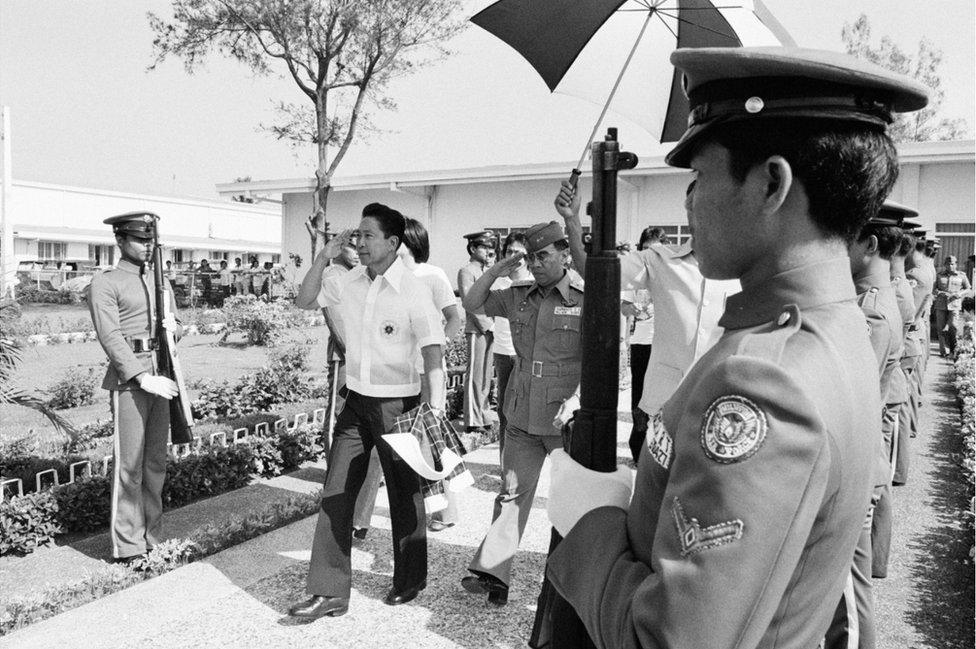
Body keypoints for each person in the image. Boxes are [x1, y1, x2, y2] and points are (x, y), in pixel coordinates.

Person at [544, 46, 927, 648]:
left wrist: (589, 523)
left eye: (700, 177)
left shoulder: (763, 380)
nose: (690, 202)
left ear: (772, 182)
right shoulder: (829, 326)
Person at [288, 203, 446, 620]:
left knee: (403, 494)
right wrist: (323, 256)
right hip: (356, 402)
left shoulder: (414, 289)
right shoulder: (348, 281)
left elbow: (433, 353)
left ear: (393, 243)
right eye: (357, 234)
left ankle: (409, 577)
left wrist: (436, 411)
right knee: (337, 491)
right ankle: (329, 591)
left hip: (399, 404)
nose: (358, 241)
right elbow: (304, 300)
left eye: (368, 235)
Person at [556, 184, 739, 464]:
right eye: (696, 205)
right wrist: (572, 218)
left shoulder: (747, 267)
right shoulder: (660, 261)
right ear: (688, 210)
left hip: (726, 408)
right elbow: (596, 272)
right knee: (655, 493)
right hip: (666, 407)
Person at [460, 221, 583, 607]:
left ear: (564, 255)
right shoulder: (517, 296)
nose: (536, 263)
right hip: (522, 409)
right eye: (531, 257)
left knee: (572, 503)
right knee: (512, 491)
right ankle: (494, 574)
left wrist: (579, 398)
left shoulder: (585, 298)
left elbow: (602, 357)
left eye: (543, 255)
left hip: (565, 415)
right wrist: (497, 269)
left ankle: (570, 586)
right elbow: (471, 302)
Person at [353, 216, 463, 536]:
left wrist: (436, 349)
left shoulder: (431, 276)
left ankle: (445, 510)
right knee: (377, 446)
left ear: (406, 244)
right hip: (392, 378)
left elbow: (453, 318)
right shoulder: (383, 278)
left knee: (430, 442)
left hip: (424, 375)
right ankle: (360, 519)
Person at [87, 212, 182, 563]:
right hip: (132, 381)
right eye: (140, 240)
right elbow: (110, 336)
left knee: (156, 462)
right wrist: (141, 376)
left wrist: (175, 327)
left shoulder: (159, 281)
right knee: (130, 466)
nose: (147, 247)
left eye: (150, 240)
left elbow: (175, 328)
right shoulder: (106, 282)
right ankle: (127, 546)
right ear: (120, 241)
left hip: (163, 375)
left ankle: (152, 538)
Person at [490, 232, 532, 463]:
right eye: (509, 252)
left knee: (525, 411)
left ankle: (524, 461)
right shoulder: (499, 283)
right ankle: (506, 464)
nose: (513, 257)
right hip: (504, 352)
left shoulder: (536, 284)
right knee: (505, 411)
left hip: (527, 355)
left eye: (519, 252)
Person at [458, 230, 497, 434]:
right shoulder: (467, 271)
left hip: (490, 327)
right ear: (473, 248)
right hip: (477, 328)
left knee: (485, 375)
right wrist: (486, 324)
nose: (488, 250)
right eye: (484, 246)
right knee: (474, 374)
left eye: (490, 246)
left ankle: (482, 414)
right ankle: (472, 419)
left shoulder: (484, 271)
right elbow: (469, 302)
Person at [933, 255, 971, 357]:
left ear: (956, 265)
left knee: (953, 327)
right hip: (941, 305)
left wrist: (959, 294)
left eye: (952, 264)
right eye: (948, 264)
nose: (950, 266)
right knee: (941, 328)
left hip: (954, 305)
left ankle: (954, 351)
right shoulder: (939, 275)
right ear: (945, 265)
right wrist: (940, 292)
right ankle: (944, 351)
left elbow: (968, 288)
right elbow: (934, 289)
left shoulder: (962, 276)